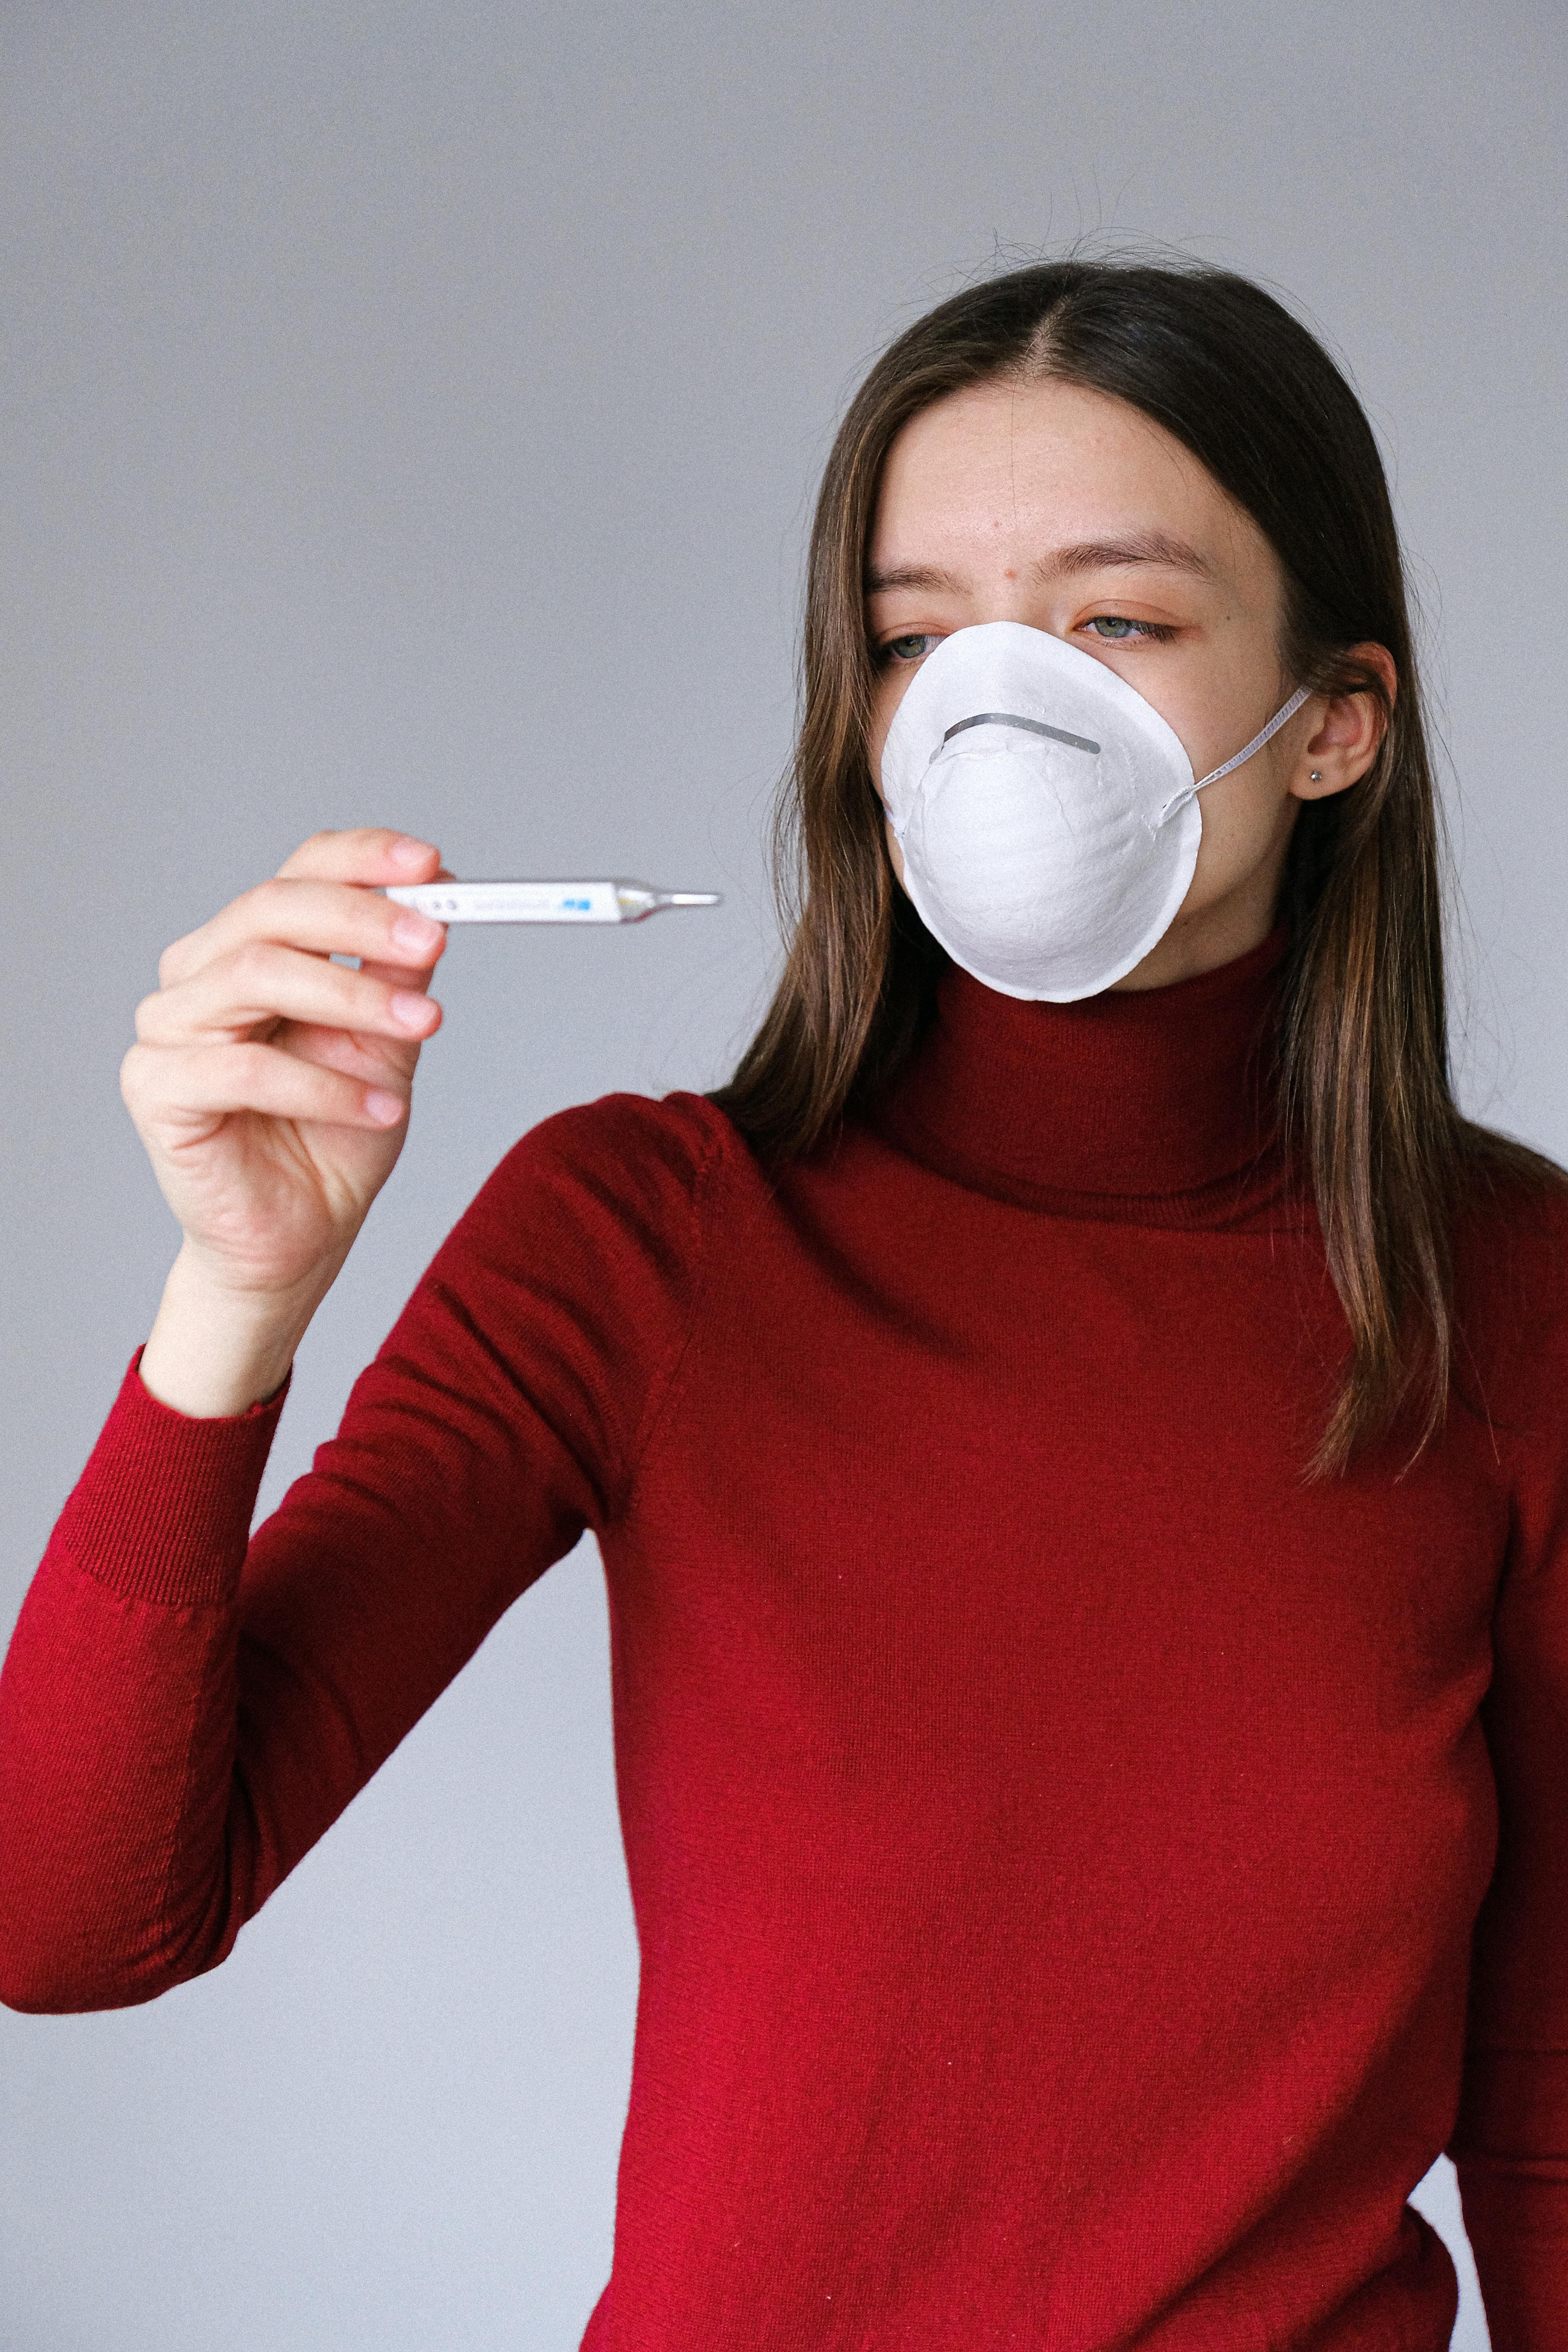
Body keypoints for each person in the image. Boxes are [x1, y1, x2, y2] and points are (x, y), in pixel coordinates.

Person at [1, 259, 1563, 2351]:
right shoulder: (647, 1238)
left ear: (1338, 722)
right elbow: (71, 1917)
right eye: (923, 636)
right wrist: (236, 1294)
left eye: (1117, 619)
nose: (1003, 711)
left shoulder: (1518, 1303)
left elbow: (1549, 2110)